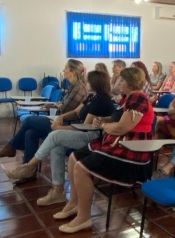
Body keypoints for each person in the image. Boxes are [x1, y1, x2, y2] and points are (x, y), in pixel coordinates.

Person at [55, 67, 154, 233]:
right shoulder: (128, 97)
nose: (117, 82)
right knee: (73, 157)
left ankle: (84, 217)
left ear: (130, 83)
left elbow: (121, 128)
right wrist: (104, 120)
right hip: (117, 142)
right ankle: (73, 203)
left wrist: (102, 125)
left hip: (132, 151)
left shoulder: (138, 97)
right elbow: (119, 119)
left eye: (121, 80)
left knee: (81, 169)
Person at [4, 71, 114, 205]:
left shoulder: (102, 100)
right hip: (82, 131)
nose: (87, 83)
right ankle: (58, 191)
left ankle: (29, 166)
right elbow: (75, 112)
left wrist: (59, 128)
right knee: (56, 146)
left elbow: (85, 126)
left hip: (92, 137)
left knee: (54, 135)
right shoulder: (92, 97)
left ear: (96, 83)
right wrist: (61, 117)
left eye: (89, 81)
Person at [0, 59, 87, 184]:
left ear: (72, 72)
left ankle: (11, 147)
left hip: (66, 126)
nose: (63, 71)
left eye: (66, 68)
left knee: (29, 120)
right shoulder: (73, 86)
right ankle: (28, 172)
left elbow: (67, 110)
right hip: (59, 120)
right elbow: (65, 105)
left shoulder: (79, 88)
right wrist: (54, 105)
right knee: (30, 132)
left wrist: (55, 106)